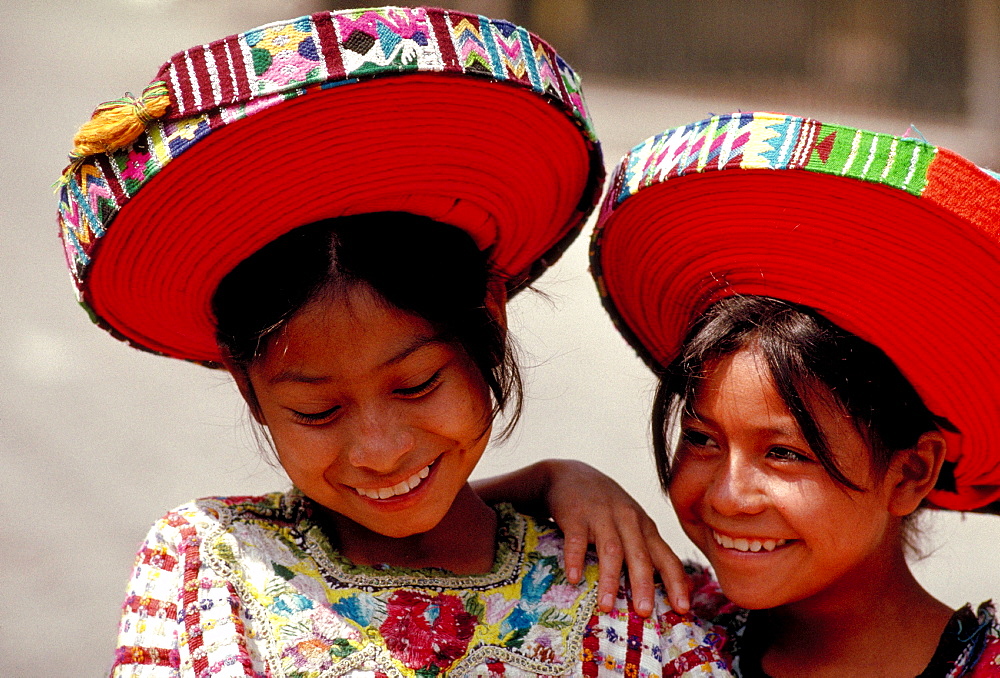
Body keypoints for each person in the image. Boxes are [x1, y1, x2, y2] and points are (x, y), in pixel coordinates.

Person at [57, 8, 729, 677]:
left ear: (489, 320)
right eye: (318, 412)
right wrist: (544, 480)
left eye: (416, 385)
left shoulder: (626, 594)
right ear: (246, 385)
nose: (380, 451)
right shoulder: (209, 569)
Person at [587, 112, 1000, 676]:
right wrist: (553, 478)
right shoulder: (649, 632)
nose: (729, 498)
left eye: (783, 452)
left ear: (910, 473)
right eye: (702, 438)